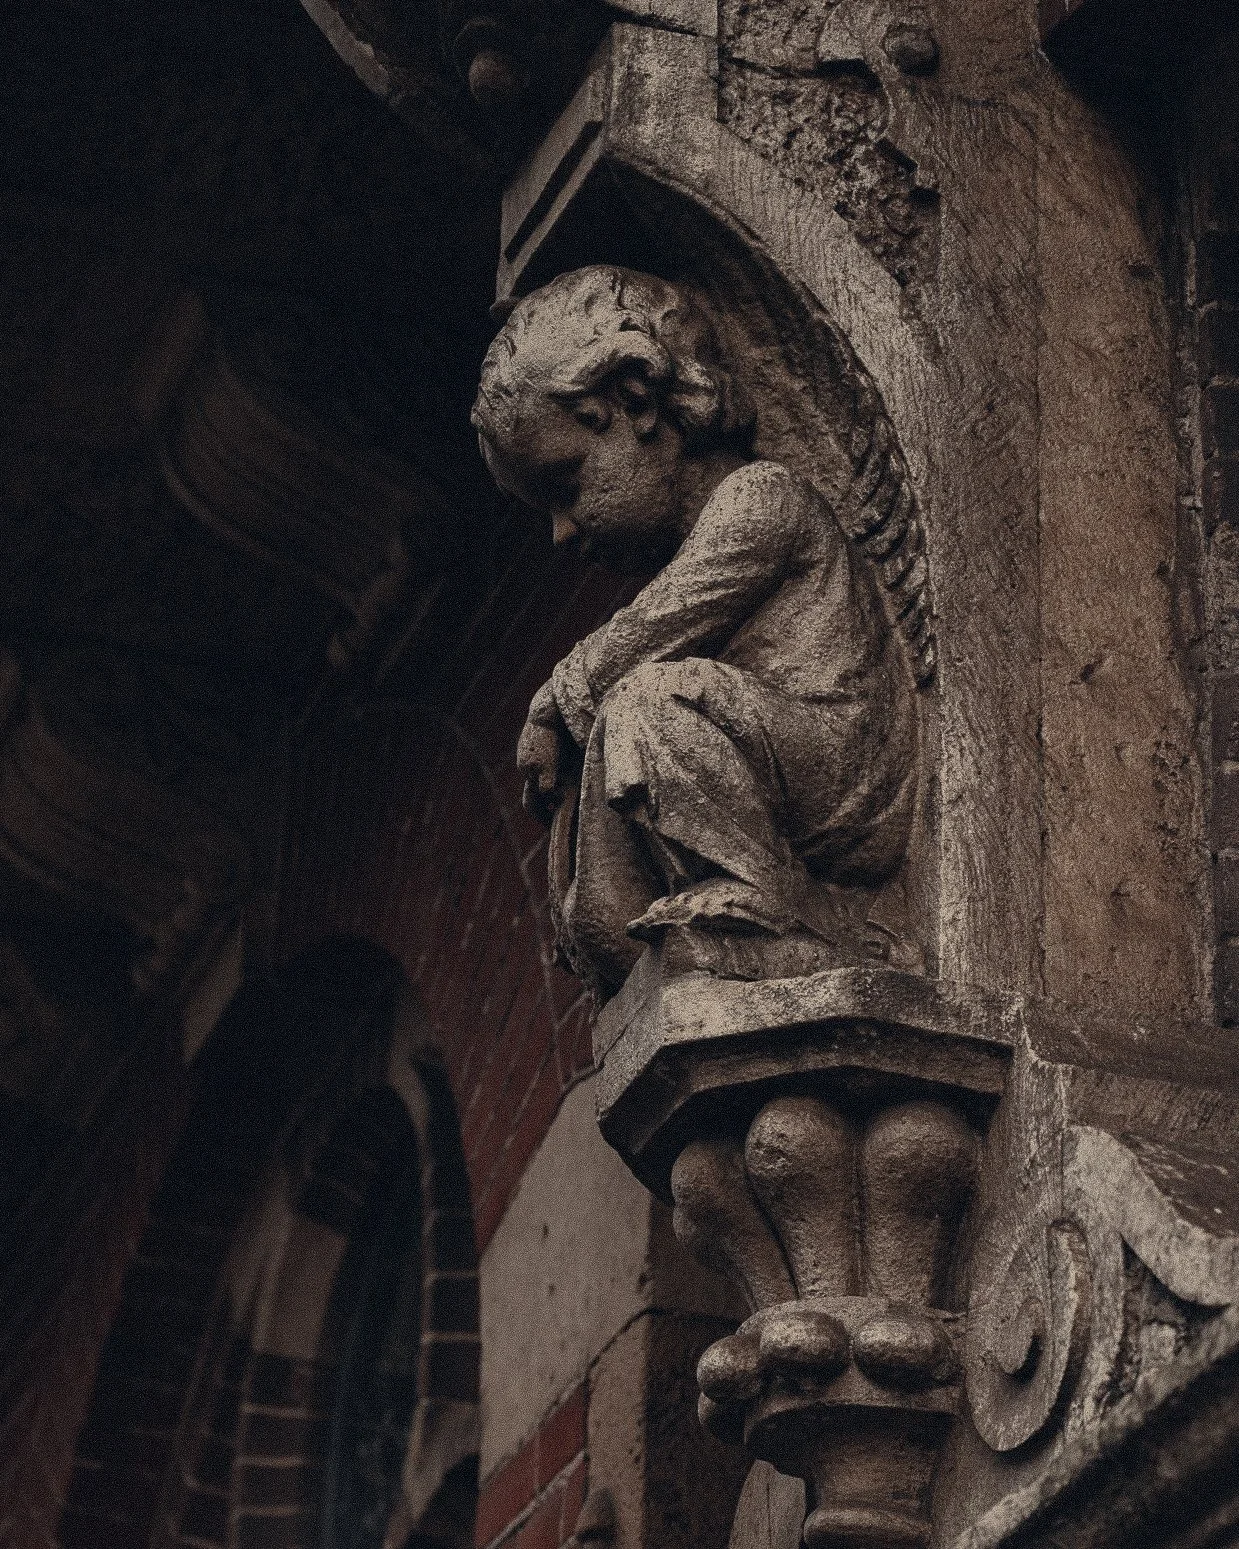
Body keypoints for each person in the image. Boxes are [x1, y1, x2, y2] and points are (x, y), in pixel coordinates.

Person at [472, 265, 917, 991]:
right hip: (776, 762)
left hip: (841, 778)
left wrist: (556, 698)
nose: (559, 532)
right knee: (624, 730)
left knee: (649, 701)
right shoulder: (693, 549)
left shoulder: (760, 498)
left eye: (567, 482)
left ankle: (772, 909)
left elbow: (655, 625)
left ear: (636, 397)